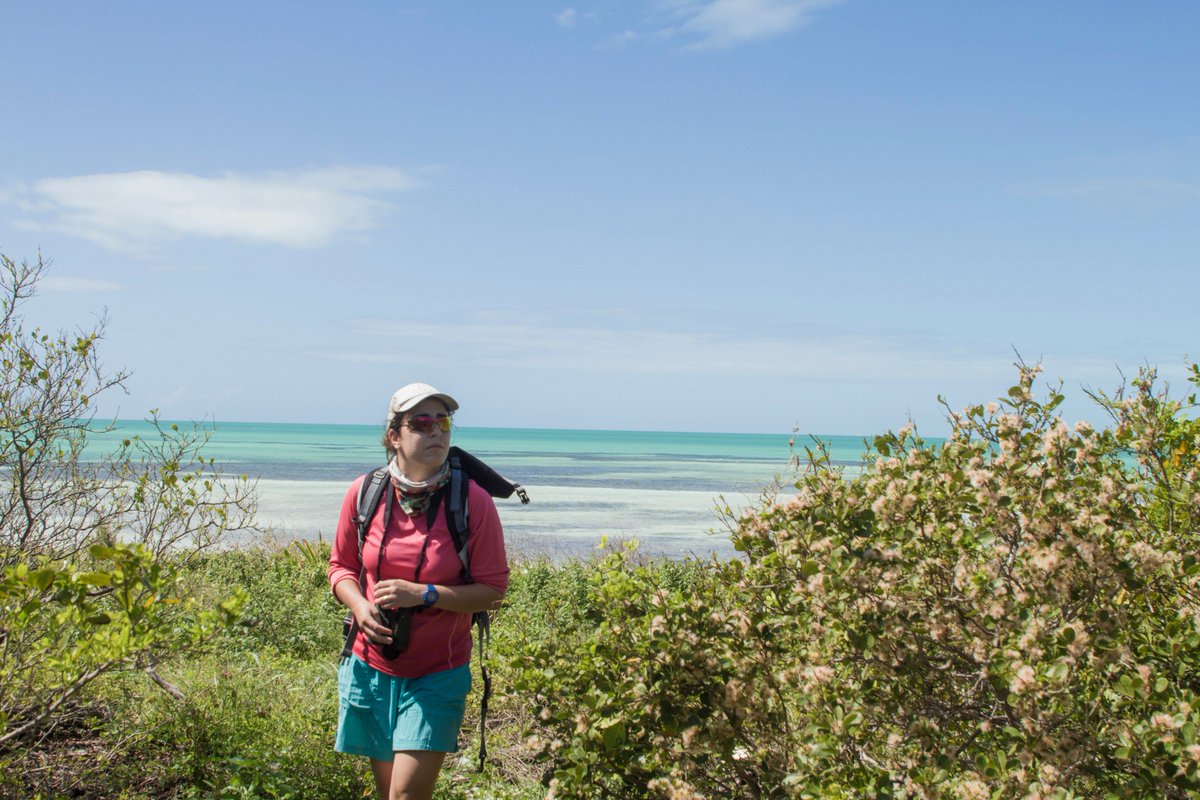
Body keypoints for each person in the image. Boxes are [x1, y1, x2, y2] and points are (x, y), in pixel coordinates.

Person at [329, 382, 509, 800]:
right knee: (388, 790)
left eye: (442, 422)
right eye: (421, 423)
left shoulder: (472, 501)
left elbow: (493, 590)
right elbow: (340, 567)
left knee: (406, 795)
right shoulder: (364, 493)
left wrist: (426, 593)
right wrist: (358, 605)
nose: (436, 433)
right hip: (370, 666)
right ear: (394, 436)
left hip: (436, 672)